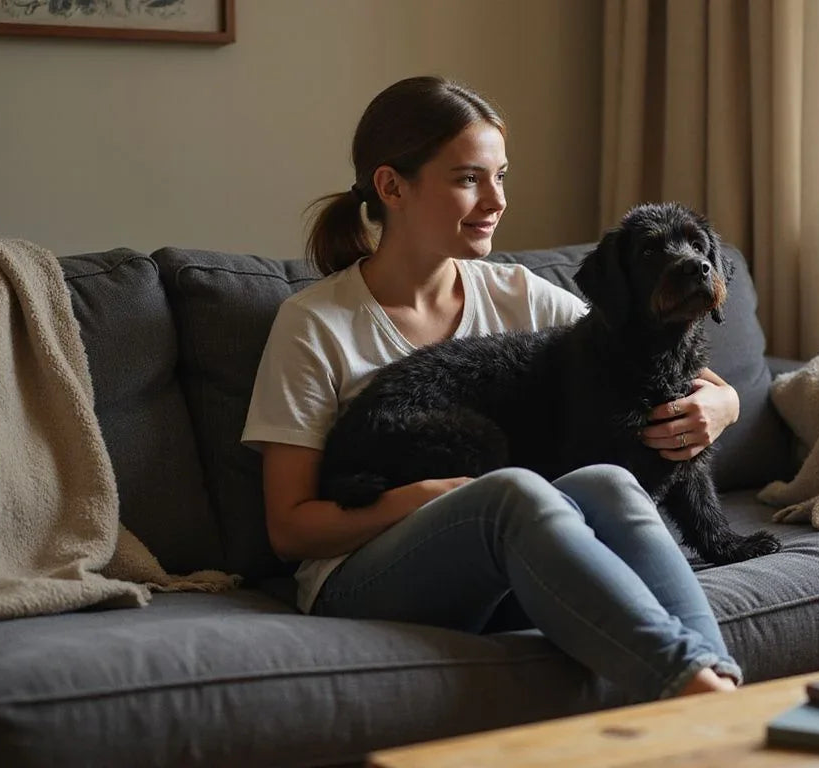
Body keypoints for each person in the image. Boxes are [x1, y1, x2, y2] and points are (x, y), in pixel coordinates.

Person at [241, 75, 745, 700]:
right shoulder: (313, 324)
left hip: (505, 565)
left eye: (501, 176)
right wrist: (434, 495)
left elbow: (651, 358)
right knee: (515, 492)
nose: (496, 199)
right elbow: (290, 530)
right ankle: (696, 689)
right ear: (391, 185)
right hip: (361, 576)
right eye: (468, 179)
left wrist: (724, 405)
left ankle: (719, 686)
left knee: (609, 482)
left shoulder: (519, 294)